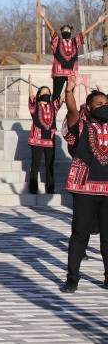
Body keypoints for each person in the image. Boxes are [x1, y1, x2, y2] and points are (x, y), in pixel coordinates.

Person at [60, 74, 108, 293]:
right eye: (99, 105)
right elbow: (71, 110)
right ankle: (72, 278)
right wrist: (70, 91)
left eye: (106, 105)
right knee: (80, 234)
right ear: (88, 108)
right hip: (85, 188)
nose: (103, 108)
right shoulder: (81, 125)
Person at [39, 7, 107, 100]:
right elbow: (52, 30)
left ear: (71, 32)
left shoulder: (76, 41)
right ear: (61, 32)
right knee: (56, 96)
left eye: (68, 30)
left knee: (73, 96)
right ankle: (53, 113)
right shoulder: (57, 41)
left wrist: (98, 21)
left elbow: (86, 32)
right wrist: (44, 17)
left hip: (72, 73)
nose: (66, 32)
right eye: (64, 30)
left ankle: (72, 113)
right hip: (59, 73)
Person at [27, 75, 60, 195]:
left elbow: (61, 99)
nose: (47, 93)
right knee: (35, 164)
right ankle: (33, 188)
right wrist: (30, 83)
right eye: (44, 91)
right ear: (39, 94)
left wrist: (69, 85)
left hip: (50, 140)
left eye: (48, 92)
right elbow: (31, 97)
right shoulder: (35, 106)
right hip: (37, 139)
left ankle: (50, 188)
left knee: (49, 165)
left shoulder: (53, 107)